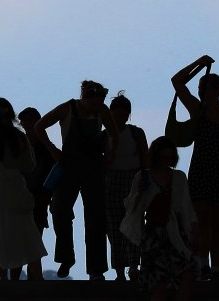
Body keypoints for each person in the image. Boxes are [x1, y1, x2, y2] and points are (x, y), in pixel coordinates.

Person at [171, 56, 219, 281]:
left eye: (202, 87)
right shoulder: (198, 109)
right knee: (202, 218)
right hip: (202, 169)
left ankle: (217, 268)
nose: (198, 91)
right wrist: (199, 64)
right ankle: (204, 264)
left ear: (214, 90)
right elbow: (177, 82)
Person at [34, 80, 119, 280]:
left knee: (96, 218)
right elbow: (39, 126)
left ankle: (96, 269)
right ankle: (66, 256)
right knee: (60, 210)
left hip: (94, 167)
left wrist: (111, 153)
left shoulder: (103, 110)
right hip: (69, 164)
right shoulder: (67, 108)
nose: (96, 107)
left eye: (100, 103)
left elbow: (115, 135)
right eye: (94, 103)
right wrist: (53, 149)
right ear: (85, 97)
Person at [0, 98, 47, 280]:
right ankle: (20, 279)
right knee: (22, 233)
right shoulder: (19, 137)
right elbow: (29, 165)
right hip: (15, 184)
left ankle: (3, 279)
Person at [121, 136, 197, 301]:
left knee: (188, 275)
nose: (165, 161)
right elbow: (133, 210)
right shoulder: (142, 177)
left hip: (176, 232)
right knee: (158, 283)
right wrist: (141, 193)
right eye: (162, 157)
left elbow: (187, 210)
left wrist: (192, 234)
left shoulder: (179, 178)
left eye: (169, 158)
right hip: (154, 234)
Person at [103, 91, 149, 281]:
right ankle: (120, 270)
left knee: (134, 225)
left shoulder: (136, 133)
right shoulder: (103, 136)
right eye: (116, 115)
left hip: (133, 181)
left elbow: (145, 158)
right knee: (113, 228)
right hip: (110, 182)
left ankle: (133, 266)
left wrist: (145, 180)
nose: (119, 119)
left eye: (123, 115)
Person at [19, 107, 54, 237]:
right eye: (26, 120)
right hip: (23, 196)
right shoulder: (20, 146)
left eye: (30, 120)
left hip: (38, 198)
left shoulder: (45, 148)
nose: (28, 123)